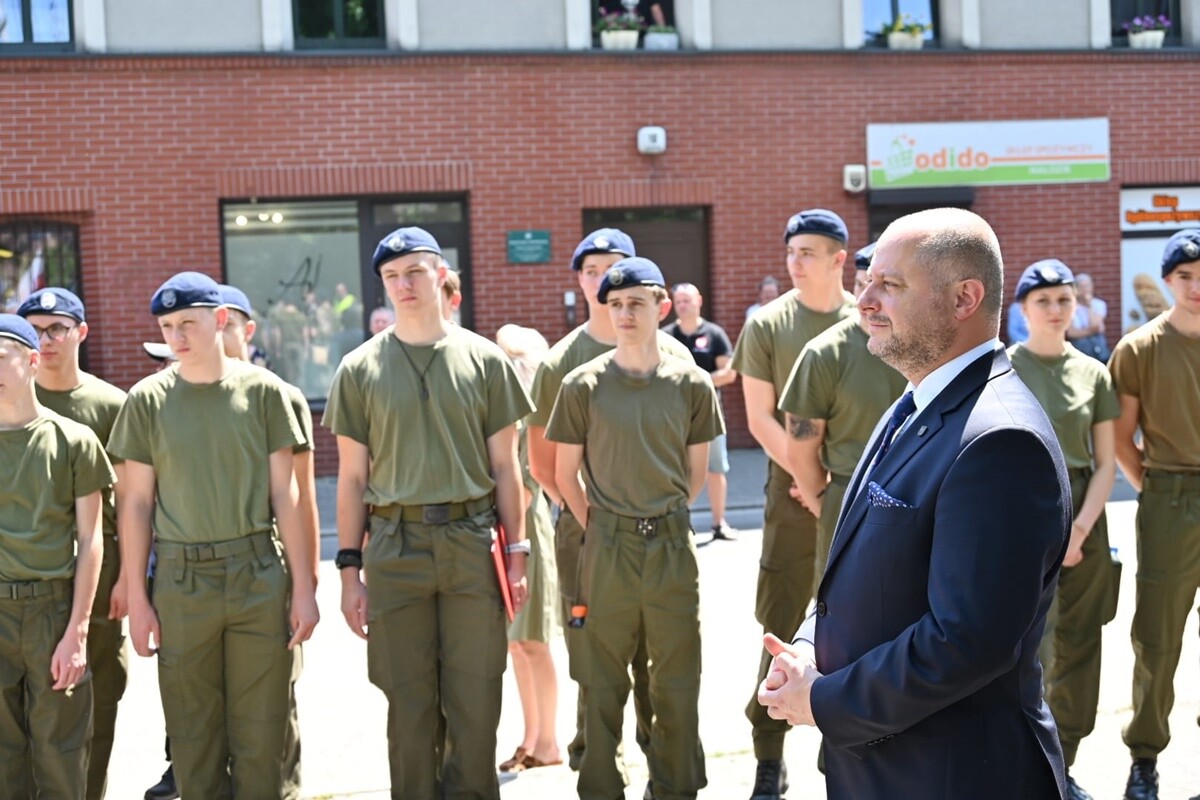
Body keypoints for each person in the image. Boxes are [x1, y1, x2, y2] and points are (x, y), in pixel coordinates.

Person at [757, 207, 1071, 800]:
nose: (864, 300)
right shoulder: (915, 403)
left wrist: (823, 698)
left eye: (890, 285)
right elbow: (870, 572)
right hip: (886, 763)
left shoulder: (1000, 440)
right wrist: (806, 649)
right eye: (868, 279)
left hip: (952, 775)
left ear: (963, 299)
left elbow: (966, 641)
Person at [324, 227, 531, 799]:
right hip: (395, 545)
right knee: (409, 706)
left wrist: (518, 552)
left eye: (415, 271)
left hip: (472, 542)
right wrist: (348, 573)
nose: (404, 285)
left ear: (442, 274)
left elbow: (508, 468)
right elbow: (352, 479)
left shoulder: (485, 360)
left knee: (476, 699)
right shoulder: (359, 368)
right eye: (392, 276)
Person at [109, 271, 319, 800]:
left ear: (221, 320)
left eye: (188, 323)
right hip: (182, 583)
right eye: (167, 325)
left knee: (261, 735)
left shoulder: (266, 393)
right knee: (193, 738)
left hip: (255, 573)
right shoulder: (147, 400)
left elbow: (286, 497)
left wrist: (304, 589)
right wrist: (138, 596)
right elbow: (134, 504)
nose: (177, 337)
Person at [547, 256, 723, 800]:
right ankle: (602, 786)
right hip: (608, 544)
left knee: (675, 678)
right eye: (615, 304)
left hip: (671, 542)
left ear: (661, 307)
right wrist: (604, 527)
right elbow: (562, 474)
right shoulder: (583, 384)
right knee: (601, 678)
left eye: (635, 304)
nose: (624, 314)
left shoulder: (691, 382)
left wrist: (660, 516)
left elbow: (696, 473)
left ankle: (675, 788)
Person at [526, 228, 691, 775]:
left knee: (659, 654)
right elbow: (545, 466)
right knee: (595, 654)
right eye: (594, 271)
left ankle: (659, 752)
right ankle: (596, 758)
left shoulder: (672, 355)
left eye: (616, 268)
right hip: (587, 531)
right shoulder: (563, 364)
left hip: (659, 535)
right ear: (581, 281)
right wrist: (599, 521)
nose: (605, 280)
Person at [729, 208, 856, 800]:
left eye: (808, 252)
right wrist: (810, 485)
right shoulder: (768, 324)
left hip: (860, 499)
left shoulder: (869, 319)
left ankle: (846, 752)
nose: (795, 263)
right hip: (791, 497)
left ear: (838, 259)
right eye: (791, 253)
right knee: (779, 625)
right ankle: (767, 757)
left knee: (856, 628)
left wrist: (832, 489)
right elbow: (759, 416)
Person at [1006, 259, 1118, 800]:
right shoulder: (1001, 369)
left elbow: (1105, 464)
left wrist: (1078, 531)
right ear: (1023, 309)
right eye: (1043, 301)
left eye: (1064, 300)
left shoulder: (1094, 372)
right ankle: (1020, 758)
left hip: (1082, 523)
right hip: (1019, 519)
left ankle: (1063, 762)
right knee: (1026, 647)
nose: (1055, 311)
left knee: (1078, 645)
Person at [16, 288, 129, 800]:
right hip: (25, 575)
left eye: (56, 328)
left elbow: (132, 501)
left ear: (81, 332)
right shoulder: (8, 403)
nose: (46, 339)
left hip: (98, 571)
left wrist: (131, 577)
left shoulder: (110, 405)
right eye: (35, 330)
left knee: (94, 699)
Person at [1109, 229, 1200, 800]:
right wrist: (1156, 488)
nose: (1196, 287)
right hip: (1170, 495)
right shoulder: (1140, 348)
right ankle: (1145, 756)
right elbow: (1122, 437)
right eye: (1186, 276)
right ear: (1168, 281)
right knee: (1157, 636)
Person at [218, 284, 319, 800]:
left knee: (275, 695)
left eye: (226, 324)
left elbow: (301, 495)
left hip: (266, 565)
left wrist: (308, 579)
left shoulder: (280, 395)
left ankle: (284, 787)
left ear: (247, 330)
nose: (216, 335)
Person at [779, 241, 906, 583]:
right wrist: (829, 504)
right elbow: (800, 450)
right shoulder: (824, 354)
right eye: (862, 285)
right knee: (841, 614)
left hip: (917, 492)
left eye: (886, 287)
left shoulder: (922, 347)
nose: (870, 299)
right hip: (849, 492)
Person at [494, 323, 563, 775]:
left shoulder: (533, 412)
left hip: (528, 531)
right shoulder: (506, 411)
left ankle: (549, 740)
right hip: (505, 531)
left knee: (533, 641)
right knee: (517, 646)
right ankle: (530, 737)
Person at [662, 282, 739, 540]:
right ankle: (683, 522)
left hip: (709, 415)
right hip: (674, 416)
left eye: (688, 300)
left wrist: (696, 381)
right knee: (678, 470)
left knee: (716, 468)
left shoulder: (714, 333)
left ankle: (719, 524)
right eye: (679, 301)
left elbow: (728, 373)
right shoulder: (666, 335)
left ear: (699, 301)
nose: (683, 305)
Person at [1066, 272, 1110, 362]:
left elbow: (1096, 327)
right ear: (1076, 289)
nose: (1085, 290)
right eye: (1082, 287)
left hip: (1099, 352)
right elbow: (1072, 333)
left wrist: (1089, 306)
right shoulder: (1070, 307)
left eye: (1087, 286)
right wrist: (1091, 331)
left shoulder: (1099, 304)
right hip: (1080, 352)